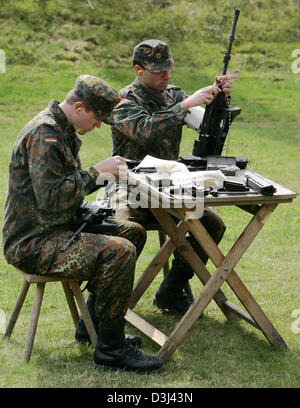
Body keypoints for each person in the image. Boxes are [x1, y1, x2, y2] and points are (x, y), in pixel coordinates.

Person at [2, 74, 163, 373]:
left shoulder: (60, 129)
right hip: (32, 241)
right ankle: (111, 350)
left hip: (56, 228)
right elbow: (52, 198)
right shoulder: (45, 134)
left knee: (134, 232)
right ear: (79, 107)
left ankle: (94, 326)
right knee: (120, 250)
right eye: (98, 117)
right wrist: (96, 173)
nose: (99, 125)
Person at [111, 39, 231, 316]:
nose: (165, 75)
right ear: (138, 70)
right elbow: (144, 130)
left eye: (168, 68)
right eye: (157, 70)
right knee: (124, 233)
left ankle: (172, 290)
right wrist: (185, 105)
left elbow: (209, 127)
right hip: (129, 188)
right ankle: (100, 309)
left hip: (169, 191)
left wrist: (219, 102)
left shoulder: (174, 95)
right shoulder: (123, 100)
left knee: (211, 225)